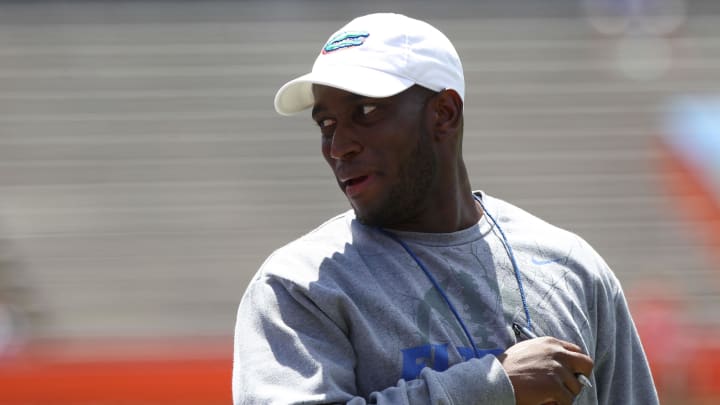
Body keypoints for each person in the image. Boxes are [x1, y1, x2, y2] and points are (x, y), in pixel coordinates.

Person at [233, 13, 658, 405]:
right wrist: (495, 387)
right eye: (326, 123)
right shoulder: (299, 285)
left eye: (365, 112)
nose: (339, 146)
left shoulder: (571, 267)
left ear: (444, 113)